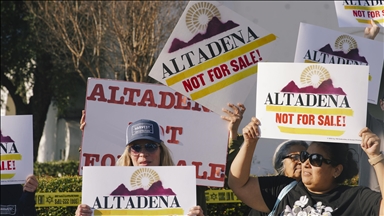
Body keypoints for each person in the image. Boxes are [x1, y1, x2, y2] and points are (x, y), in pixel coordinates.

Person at [229, 117, 383, 215]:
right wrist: (249, 143)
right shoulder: (283, 189)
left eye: (316, 159)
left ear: (336, 170)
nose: (306, 163)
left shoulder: (356, 198)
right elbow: (238, 183)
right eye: (305, 156)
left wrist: (375, 157)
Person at [76, 119, 204, 216]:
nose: (143, 153)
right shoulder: (108, 188)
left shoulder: (187, 190)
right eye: (136, 148)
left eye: (151, 146)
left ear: (161, 151)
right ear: (129, 153)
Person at [222, 104, 309, 216]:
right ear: (280, 163)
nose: (301, 161)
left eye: (305, 156)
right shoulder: (271, 192)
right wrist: (247, 141)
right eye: (294, 157)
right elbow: (236, 180)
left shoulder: (319, 192)